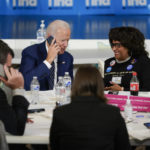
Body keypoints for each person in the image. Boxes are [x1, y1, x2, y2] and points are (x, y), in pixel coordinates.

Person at [50, 65, 131, 150]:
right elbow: (124, 146)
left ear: (75, 85)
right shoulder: (113, 112)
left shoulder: (59, 113)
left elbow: (54, 146)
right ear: (100, 85)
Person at [20, 19, 74, 91]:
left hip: (60, 99)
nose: (66, 45)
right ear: (49, 38)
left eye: (68, 40)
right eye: (63, 40)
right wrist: (48, 61)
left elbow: (70, 87)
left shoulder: (67, 58)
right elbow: (24, 84)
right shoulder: (30, 53)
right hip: (37, 100)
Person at [104, 26, 150, 92]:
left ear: (129, 45)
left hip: (135, 101)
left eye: (118, 45)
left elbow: (147, 90)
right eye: (113, 45)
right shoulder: (108, 62)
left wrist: (122, 90)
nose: (114, 49)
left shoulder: (143, 62)